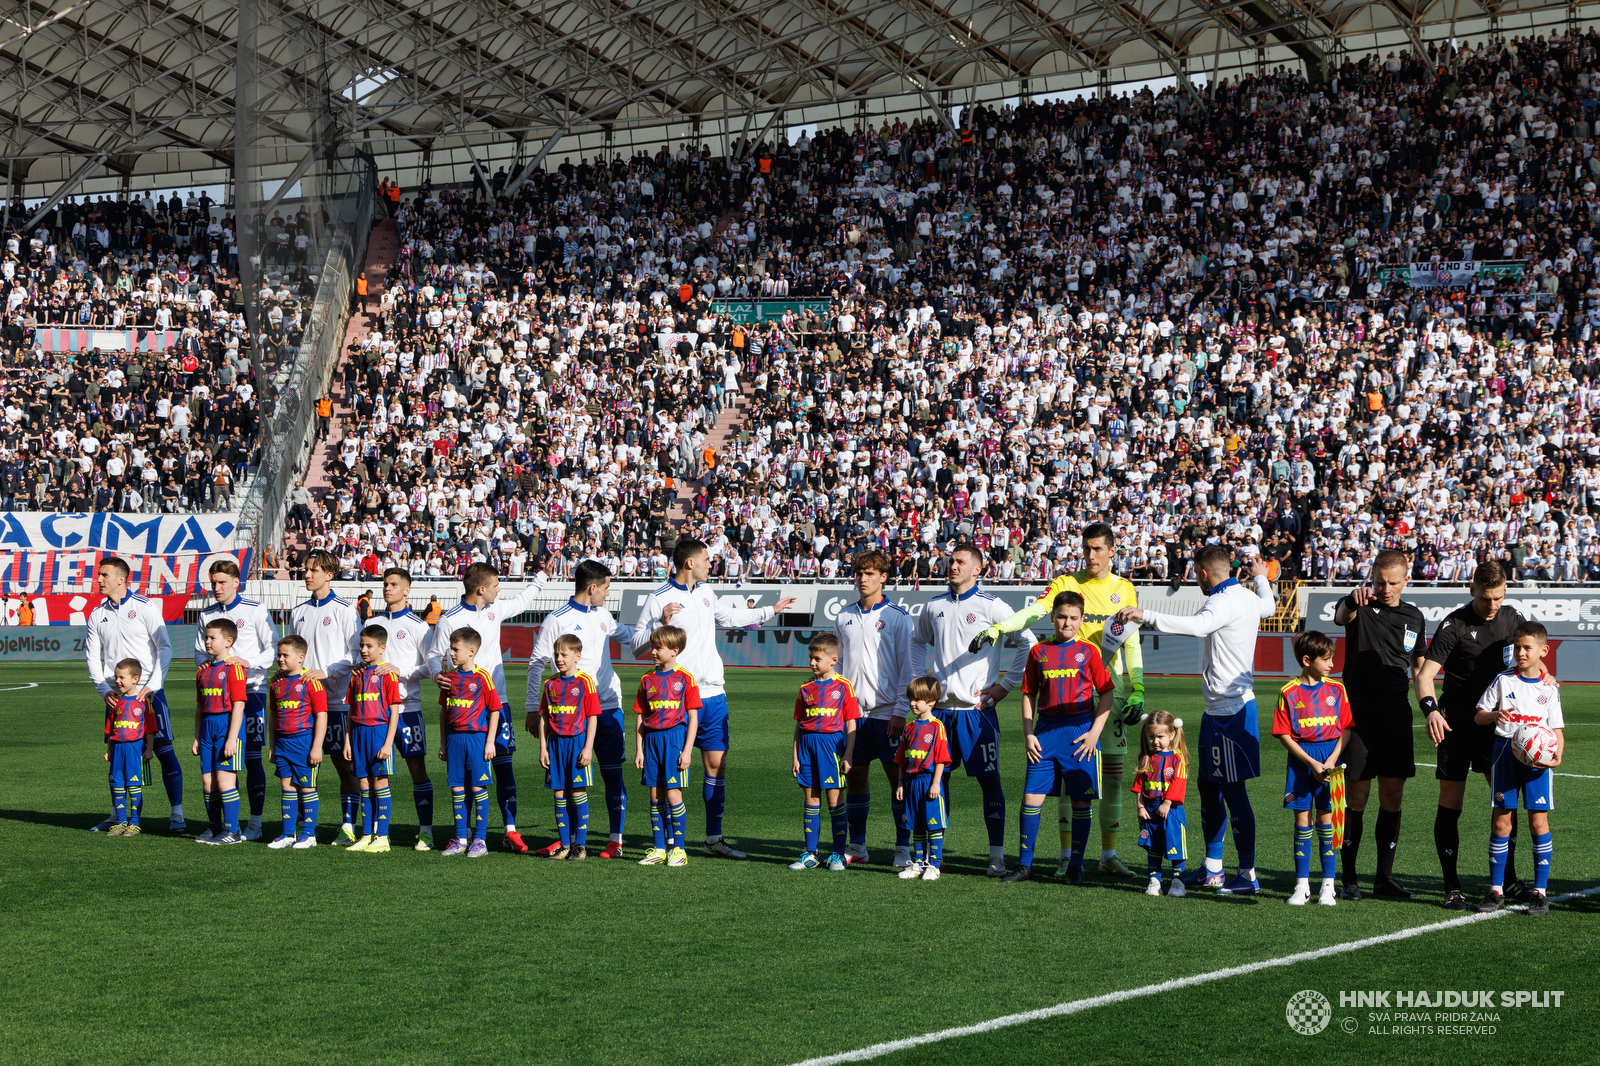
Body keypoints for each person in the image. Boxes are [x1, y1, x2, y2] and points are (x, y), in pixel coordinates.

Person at [973, 523, 1144, 877]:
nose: (1091, 555)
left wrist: (1138, 685)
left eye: (1098, 549)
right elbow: (1035, 612)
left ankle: (1108, 855)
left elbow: (1130, 641)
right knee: (1068, 783)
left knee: (1111, 778)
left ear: (1112, 551)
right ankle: (1068, 857)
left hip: (1107, 696)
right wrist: (1001, 628)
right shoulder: (1067, 583)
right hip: (1065, 700)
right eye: (1087, 548)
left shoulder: (1124, 589)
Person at [1115, 544, 1275, 894]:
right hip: (1215, 711)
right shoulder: (1247, 595)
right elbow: (1270, 604)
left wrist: (1147, 614)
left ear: (1203, 574)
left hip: (1233, 711)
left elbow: (1198, 626)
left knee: (1233, 792)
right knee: (1206, 786)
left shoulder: (1221, 601)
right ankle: (1213, 868)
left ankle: (1247, 874)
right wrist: (1262, 577)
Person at [632, 538, 795, 858]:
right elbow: (638, 644)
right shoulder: (658, 598)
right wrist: (660, 622)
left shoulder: (706, 592)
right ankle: (667, 843)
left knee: (716, 768)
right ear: (689, 562)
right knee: (667, 775)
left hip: (714, 696)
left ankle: (713, 839)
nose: (712, 563)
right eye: (707, 559)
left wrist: (770, 610)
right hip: (676, 701)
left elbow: (729, 617)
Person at [1415, 561, 1543, 910]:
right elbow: (1425, 676)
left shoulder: (1513, 618)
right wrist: (1431, 711)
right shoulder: (1453, 625)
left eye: (1498, 598)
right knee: (1451, 803)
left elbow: (1531, 659)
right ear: (1472, 589)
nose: (1492, 606)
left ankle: (1509, 880)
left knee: (1504, 804)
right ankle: (1452, 886)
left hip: (1498, 729)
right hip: (1456, 726)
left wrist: (1545, 677)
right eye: (1486, 598)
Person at [909, 541, 1034, 877]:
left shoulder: (992, 606)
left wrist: (1006, 685)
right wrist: (921, 680)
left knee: (989, 783)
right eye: (951, 561)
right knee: (936, 782)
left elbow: (1028, 642)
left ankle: (996, 856)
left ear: (977, 569)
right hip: (939, 716)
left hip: (977, 713)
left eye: (961, 562)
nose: (953, 566)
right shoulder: (933, 606)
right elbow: (916, 641)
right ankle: (933, 856)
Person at [425, 559, 552, 853]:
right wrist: (436, 674)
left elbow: (523, 600)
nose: (499, 590)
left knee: (504, 763)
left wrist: (542, 576)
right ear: (481, 589)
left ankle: (510, 830)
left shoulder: (495, 610)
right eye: (496, 586)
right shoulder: (449, 620)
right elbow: (434, 655)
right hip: (464, 708)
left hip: (498, 703)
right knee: (467, 772)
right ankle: (465, 834)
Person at [1332, 548, 1425, 900]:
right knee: (1356, 796)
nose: (1385, 589)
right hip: (1357, 713)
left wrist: (1431, 708)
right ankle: (1349, 879)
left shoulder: (1414, 617)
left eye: (1392, 583)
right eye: (1379, 582)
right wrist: (1351, 599)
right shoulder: (1358, 605)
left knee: (1392, 796)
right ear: (1371, 578)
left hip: (1396, 713)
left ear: (1405, 580)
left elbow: (1418, 668)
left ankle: (1384, 879)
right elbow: (1341, 616)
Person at [1005, 591, 1114, 884]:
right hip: (1044, 732)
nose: (1067, 623)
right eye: (1062, 616)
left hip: (1080, 734)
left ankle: (1076, 866)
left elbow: (1106, 693)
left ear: (1081, 620)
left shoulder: (1090, 651)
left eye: (1073, 618)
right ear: (1052, 617)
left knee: (1080, 802)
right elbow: (1029, 693)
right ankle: (1025, 866)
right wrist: (1028, 733)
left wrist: (1094, 733)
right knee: (1031, 797)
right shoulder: (1038, 651)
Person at [527, 560, 633, 858]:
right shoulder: (555, 620)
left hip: (609, 707)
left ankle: (615, 840)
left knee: (613, 774)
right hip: (569, 717)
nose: (608, 594)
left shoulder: (603, 616)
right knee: (568, 783)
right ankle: (571, 841)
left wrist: (659, 626)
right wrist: (533, 707)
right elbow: (536, 664)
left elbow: (630, 637)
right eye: (607, 588)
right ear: (592, 587)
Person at [1473, 621, 1564, 917]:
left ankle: (1540, 892)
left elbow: (1556, 730)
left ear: (1543, 650)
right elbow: (1478, 718)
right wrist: (1494, 715)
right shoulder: (1503, 680)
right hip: (1504, 755)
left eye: (1527, 647)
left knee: (1538, 823)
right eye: (1518, 647)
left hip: (1538, 762)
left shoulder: (1549, 688)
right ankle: (1496, 889)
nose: (1521, 653)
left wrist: (1557, 756)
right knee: (1502, 823)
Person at [86, 557, 180, 832]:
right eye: (99, 575)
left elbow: (165, 647)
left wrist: (153, 685)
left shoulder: (144, 606)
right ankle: (118, 816)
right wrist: (104, 689)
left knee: (163, 750)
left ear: (121, 579)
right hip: (115, 697)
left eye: (104, 575)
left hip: (149, 695)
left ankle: (176, 813)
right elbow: (92, 656)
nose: (99, 580)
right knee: (116, 753)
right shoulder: (97, 614)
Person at [833, 549, 913, 867]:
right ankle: (858, 846)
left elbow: (909, 666)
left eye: (870, 573)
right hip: (853, 716)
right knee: (856, 777)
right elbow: (837, 666)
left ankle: (903, 848)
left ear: (883, 577)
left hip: (887, 713)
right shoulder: (843, 617)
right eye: (859, 573)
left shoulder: (897, 616)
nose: (863, 579)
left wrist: (900, 709)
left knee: (898, 781)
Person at [194, 558, 277, 840]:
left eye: (221, 583)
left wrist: (248, 662)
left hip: (250, 692)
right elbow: (198, 653)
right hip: (218, 698)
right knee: (218, 765)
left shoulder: (254, 609)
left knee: (251, 758)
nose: (216, 588)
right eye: (213, 583)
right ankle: (223, 825)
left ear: (235, 583)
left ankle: (254, 821)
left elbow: (273, 649)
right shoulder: (206, 615)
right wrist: (204, 663)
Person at [1272, 631, 1354, 907]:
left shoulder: (1337, 689)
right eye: (1326, 659)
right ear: (1307, 660)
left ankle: (1328, 886)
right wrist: (1311, 763)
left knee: (1327, 821)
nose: (1332, 664)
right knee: (1302, 821)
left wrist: (1330, 761)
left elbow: (1346, 730)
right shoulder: (1288, 692)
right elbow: (1284, 734)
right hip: (1302, 761)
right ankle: (1302, 885)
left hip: (1331, 760)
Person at [288, 549, 362, 846]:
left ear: (329, 575)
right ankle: (302, 827)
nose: (307, 574)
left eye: (313, 570)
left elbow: (356, 654)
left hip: (337, 701)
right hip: (302, 703)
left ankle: (347, 825)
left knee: (344, 765)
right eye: (305, 569)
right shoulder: (298, 612)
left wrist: (327, 671)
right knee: (300, 764)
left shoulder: (345, 610)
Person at [364, 568, 436, 851]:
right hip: (375, 711)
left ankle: (426, 832)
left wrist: (400, 670)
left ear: (407, 590)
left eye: (394, 584)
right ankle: (378, 832)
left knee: (417, 769)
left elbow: (431, 666)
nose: (387, 588)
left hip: (406, 708)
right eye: (385, 583)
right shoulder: (372, 621)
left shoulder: (419, 627)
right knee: (374, 772)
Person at [788, 633, 861, 872]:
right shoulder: (805, 688)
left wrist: (848, 754)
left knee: (834, 800)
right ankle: (810, 854)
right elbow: (799, 725)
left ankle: (838, 855)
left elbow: (851, 723)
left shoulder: (844, 686)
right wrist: (795, 756)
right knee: (811, 800)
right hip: (807, 748)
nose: (812, 663)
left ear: (833, 659)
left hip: (832, 749)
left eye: (817, 658)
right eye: (810, 657)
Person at [631, 625, 700, 868]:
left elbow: (693, 717)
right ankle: (660, 849)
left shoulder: (685, 678)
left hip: (674, 740)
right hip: (651, 741)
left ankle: (679, 849)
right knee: (654, 794)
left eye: (658, 647)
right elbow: (640, 715)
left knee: (673, 794)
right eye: (652, 646)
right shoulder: (646, 678)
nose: (653, 651)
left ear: (674, 650)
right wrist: (639, 749)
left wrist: (688, 749)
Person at [533, 633, 602, 860]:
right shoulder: (550, 683)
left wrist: (588, 747)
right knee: (559, 794)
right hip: (555, 745)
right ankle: (564, 845)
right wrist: (543, 748)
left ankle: (579, 846)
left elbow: (592, 716)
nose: (559, 659)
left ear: (577, 656)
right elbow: (544, 717)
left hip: (577, 743)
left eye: (564, 654)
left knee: (578, 792)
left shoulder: (585, 682)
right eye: (556, 654)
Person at [436, 627, 502, 858]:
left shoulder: (483, 677)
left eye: (456, 649)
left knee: (477, 787)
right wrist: (443, 743)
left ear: (471, 651)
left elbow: (494, 710)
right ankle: (461, 839)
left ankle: (480, 840)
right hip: (454, 739)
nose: (451, 653)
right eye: (451, 648)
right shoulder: (449, 678)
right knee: (456, 788)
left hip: (476, 739)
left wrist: (490, 741)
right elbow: (444, 712)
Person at [265, 635, 328, 849]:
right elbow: (273, 715)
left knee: (307, 787)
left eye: (285, 655)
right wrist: (272, 745)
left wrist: (317, 746)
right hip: (281, 743)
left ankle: (309, 834)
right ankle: (287, 833)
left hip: (303, 742)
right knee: (286, 786)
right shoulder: (276, 683)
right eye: (279, 655)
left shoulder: (311, 682)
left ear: (300, 657)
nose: (280, 659)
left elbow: (321, 715)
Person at [344, 624, 403, 854]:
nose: (364, 650)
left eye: (369, 646)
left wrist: (388, 743)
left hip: (378, 733)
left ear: (382, 648)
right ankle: (366, 835)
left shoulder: (387, 674)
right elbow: (351, 710)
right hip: (358, 733)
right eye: (362, 645)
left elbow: (394, 710)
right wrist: (348, 740)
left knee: (380, 782)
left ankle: (383, 836)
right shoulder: (357, 674)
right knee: (363, 784)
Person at [193, 618, 247, 845]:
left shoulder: (234, 669)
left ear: (228, 641)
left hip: (227, 727)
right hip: (207, 728)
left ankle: (232, 831)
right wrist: (197, 736)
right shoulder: (203, 671)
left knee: (225, 781)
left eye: (212, 638)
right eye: (206, 637)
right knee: (208, 782)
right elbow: (199, 705)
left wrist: (232, 738)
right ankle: (214, 827)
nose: (207, 641)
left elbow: (239, 704)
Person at [893, 676, 951, 882]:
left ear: (931, 701)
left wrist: (936, 782)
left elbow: (941, 759)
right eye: (911, 699)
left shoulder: (937, 727)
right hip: (911, 782)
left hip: (929, 782)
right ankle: (918, 863)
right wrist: (900, 783)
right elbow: (902, 760)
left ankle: (934, 865)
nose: (912, 703)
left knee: (933, 824)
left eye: (917, 699)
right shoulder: (909, 728)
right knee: (915, 824)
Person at [1131, 710, 1188, 897]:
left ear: (1172, 735)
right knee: (1153, 847)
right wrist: (1140, 807)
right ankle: (1154, 881)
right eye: (1151, 736)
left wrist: (1167, 802)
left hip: (1171, 811)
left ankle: (1178, 882)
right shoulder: (1146, 758)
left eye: (1160, 736)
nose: (1155, 741)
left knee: (1175, 847)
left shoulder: (1178, 758)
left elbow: (1179, 783)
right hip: (1150, 811)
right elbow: (1139, 787)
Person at [102, 659, 154, 837]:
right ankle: (120, 822)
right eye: (116, 677)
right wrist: (109, 750)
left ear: (135, 679)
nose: (117, 681)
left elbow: (150, 729)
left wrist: (149, 750)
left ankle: (134, 823)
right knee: (117, 785)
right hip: (117, 749)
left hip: (134, 749)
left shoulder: (143, 702)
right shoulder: (115, 702)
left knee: (133, 786)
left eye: (121, 677)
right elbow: (110, 729)